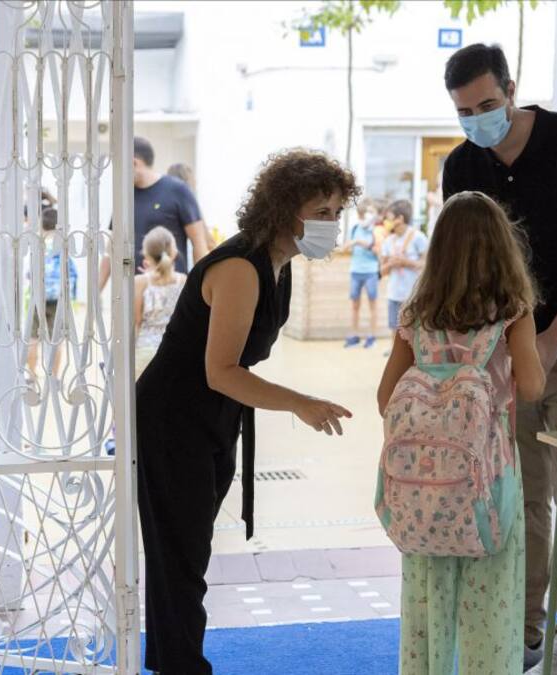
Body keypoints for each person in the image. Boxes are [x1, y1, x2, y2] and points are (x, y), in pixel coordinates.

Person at [136, 149, 359, 674]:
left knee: (188, 554)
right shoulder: (240, 266)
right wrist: (300, 404)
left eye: (336, 213)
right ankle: (180, 666)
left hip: (211, 417)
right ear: (284, 209)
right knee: (179, 558)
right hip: (174, 418)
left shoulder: (278, 266)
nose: (331, 224)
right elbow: (223, 370)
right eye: (321, 212)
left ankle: (174, 659)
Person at [440, 43, 557, 674]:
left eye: (487, 105)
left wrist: (550, 338)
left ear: (511, 90)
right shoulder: (462, 165)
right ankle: (524, 632)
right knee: (525, 496)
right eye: (465, 111)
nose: (478, 119)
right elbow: (467, 267)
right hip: (503, 361)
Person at [377, 191, 546, 675]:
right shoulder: (511, 311)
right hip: (489, 483)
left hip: (423, 494)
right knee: (489, 604)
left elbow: (385, 399)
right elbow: (532, 387)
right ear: (502, 246)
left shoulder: (416, 316)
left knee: (427, 602)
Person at [99, 137, 211, 289]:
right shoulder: (125, 197)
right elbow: (111, 248)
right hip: (133, 294)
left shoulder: (178, 190)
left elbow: (199, 245)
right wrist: (95, 293)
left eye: (119, 166)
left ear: (134, 162)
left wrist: (198, 291)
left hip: (172, 292)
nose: (116, 174)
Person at [26, 207, 76, 380]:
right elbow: (71, 273)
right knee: (57, 339)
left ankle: (32, 375)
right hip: (58, 299)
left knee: (32, 337)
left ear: (42, 224)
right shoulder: (63, 245)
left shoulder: (37, 244)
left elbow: (28, 272)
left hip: (38, 297)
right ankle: (54, 377)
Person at [134, 226, 186, 379]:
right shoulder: (184, 280)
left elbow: (135, 321)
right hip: (176, 353)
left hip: (146, 353)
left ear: (146, 255)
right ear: (174, 252)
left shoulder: (139, 282)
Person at [379, 199, 429, 345]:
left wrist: (406, 262)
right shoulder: (388, 241)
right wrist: (391, 264)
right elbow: (382, 272)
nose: (386, 222)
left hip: (414, 295)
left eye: (388, 218)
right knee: (394, 330)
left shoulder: (418, 237)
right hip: (394, 294)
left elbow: (426, 265)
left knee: (417, 330)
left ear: (400, 218)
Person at [342, 197, 381, 349]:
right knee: (355, 306)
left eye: (369, 213)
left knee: (373, 305)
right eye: (364, 214)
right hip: (355, 271)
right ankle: (354, 336)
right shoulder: (355, 228)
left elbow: (378, 249)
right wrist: (351, 244)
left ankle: (372, 337)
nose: (365, 217)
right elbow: (346, 246)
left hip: (371, 271)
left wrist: (360, 243)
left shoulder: (376, 230)